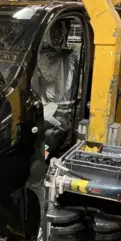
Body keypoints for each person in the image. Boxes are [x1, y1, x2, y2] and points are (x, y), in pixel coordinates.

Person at [33, 20, 80, 159]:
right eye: (54, 33)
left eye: (60, 33)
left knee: (49, 136)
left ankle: (47, 156)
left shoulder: (65, 58)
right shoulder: (63, 57)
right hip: (46, 109)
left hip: (56, 111)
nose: (58, 37)